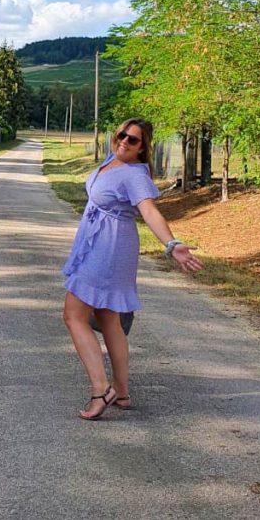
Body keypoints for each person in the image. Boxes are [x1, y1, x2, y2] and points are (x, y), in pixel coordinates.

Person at [61, 118, 203, 420]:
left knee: (73, 315)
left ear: (143, 148)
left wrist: (171, 244)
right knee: (108, 316)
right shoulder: (113, 159)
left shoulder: (134, 174)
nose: (124, 141)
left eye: (133, 140)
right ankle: (121, 391)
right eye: (122, 135)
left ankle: (101, 389)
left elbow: (149, 210)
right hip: (101, 242)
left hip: (109, 248)